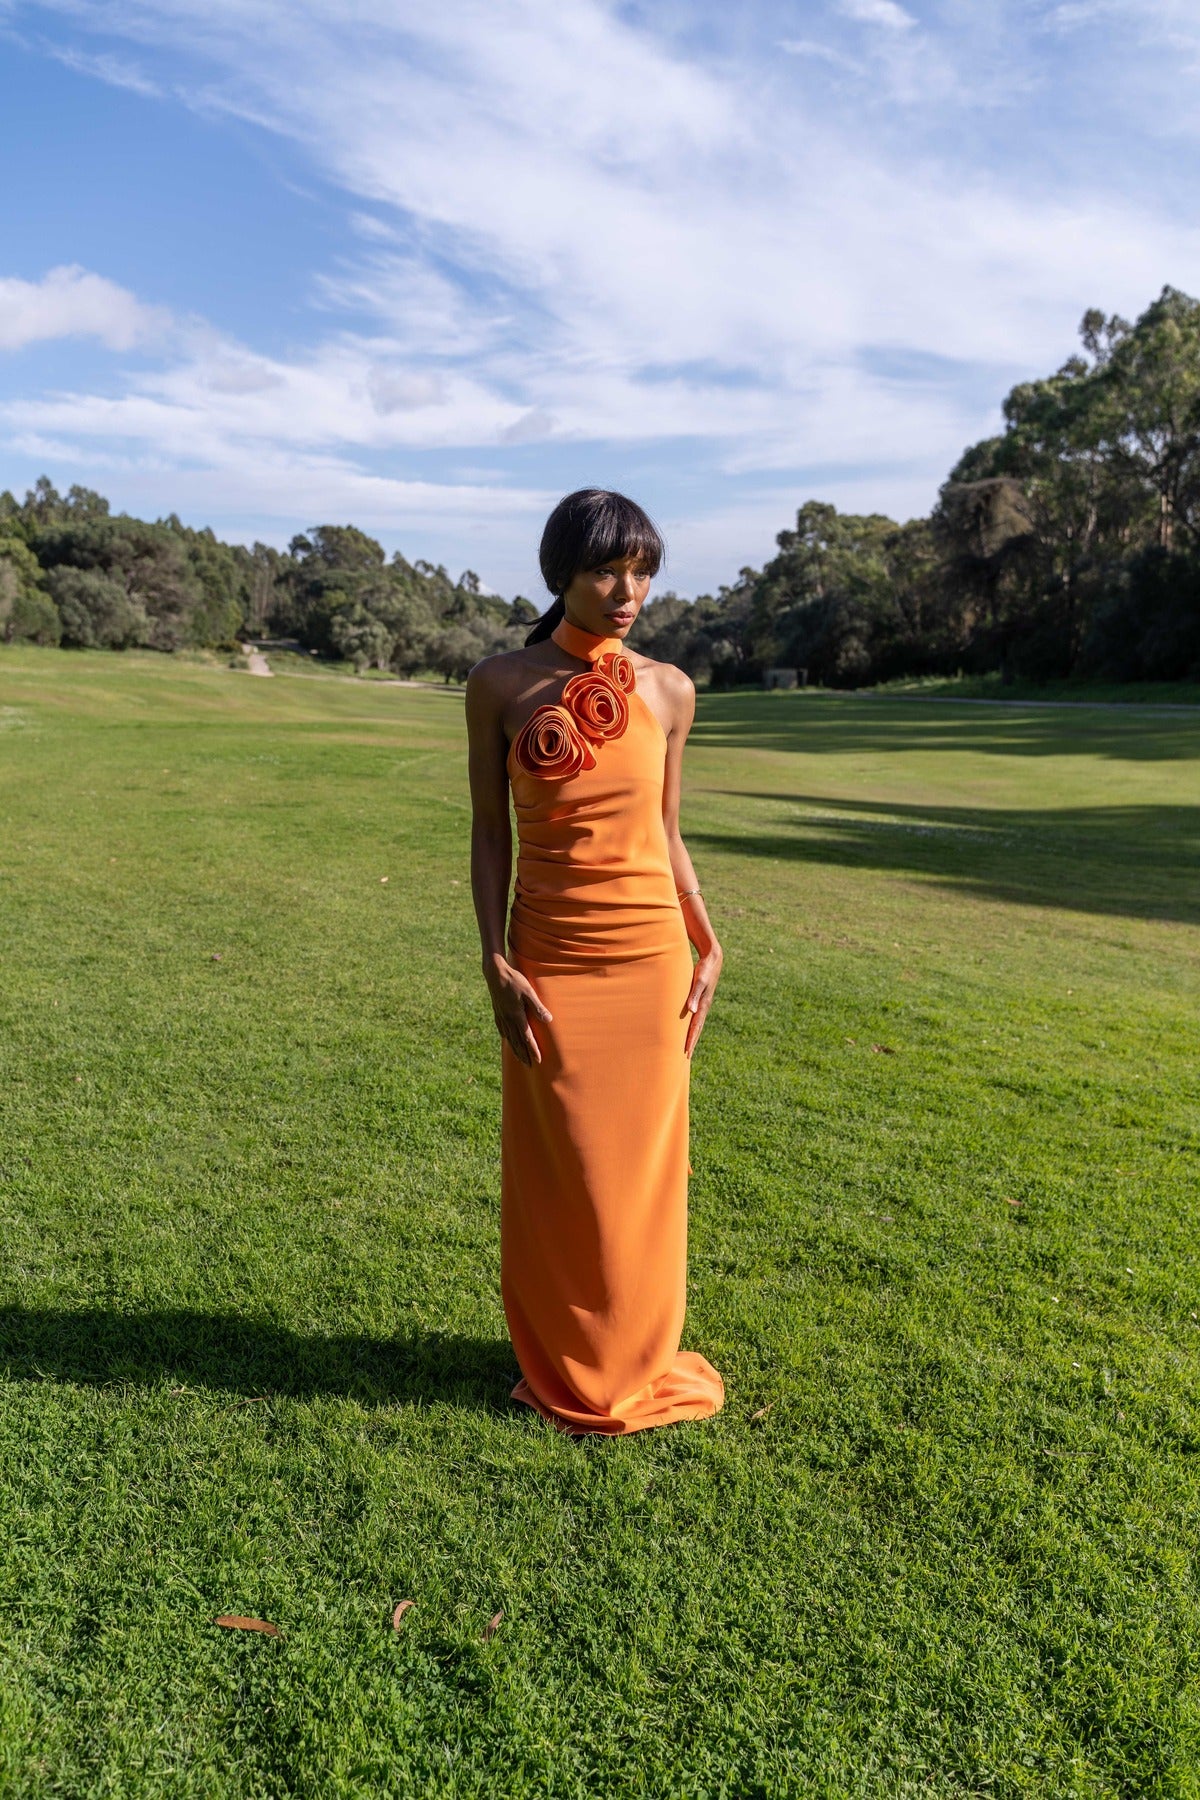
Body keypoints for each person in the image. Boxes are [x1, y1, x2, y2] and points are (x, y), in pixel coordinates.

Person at [465, 488, 725, 1434]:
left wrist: (707, 939)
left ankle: (637, 1355)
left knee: (643, 1172)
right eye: (607, 570)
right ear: (561, 575)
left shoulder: (669, 689)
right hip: (552, 962)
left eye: (643, 571)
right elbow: (491, 835)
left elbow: (666, 831)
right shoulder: (500, 683)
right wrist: (493, 958)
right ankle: (567, 1360)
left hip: (651, 957)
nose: (629, 590)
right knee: (564, 1169)